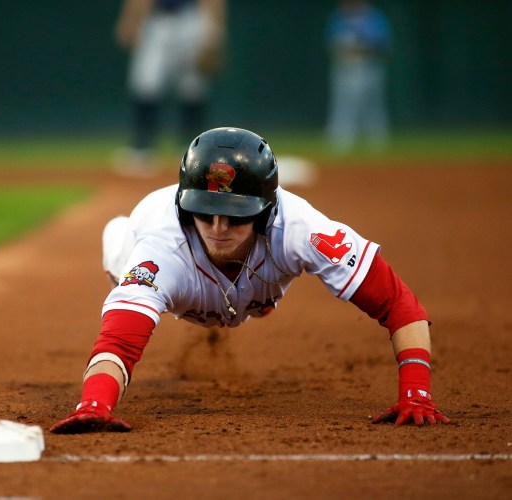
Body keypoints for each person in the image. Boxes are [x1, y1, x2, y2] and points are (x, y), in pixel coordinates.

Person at [51, 126, 449, 434]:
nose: (218, 227)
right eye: (205, 212)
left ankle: (256, 298)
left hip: (254, 284)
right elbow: (118, 343)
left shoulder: (302, 227)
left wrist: (417, 391)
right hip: (157, 266)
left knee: (258, 293)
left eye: (236, 214)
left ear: (266, 209)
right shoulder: (159, 245)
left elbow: (398, 303)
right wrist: (94, 406)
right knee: (121, 256)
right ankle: (125, 244)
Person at [113, 0, 226, 175]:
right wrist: (130, 19)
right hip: (155, 20)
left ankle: (192, 150)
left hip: (192, 20)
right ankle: (142, 149)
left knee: (193, 87)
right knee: (146, 82)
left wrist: (214, 32)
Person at [325, 0, 392, 154]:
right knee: (343, 105)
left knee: (372, 106)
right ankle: (340, 142)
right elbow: (331, 42)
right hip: (345, 67)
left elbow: (382, 42)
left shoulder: (373, 17)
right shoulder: (339, 17)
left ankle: (377, 142)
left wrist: (362, 47)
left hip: (369, 65)